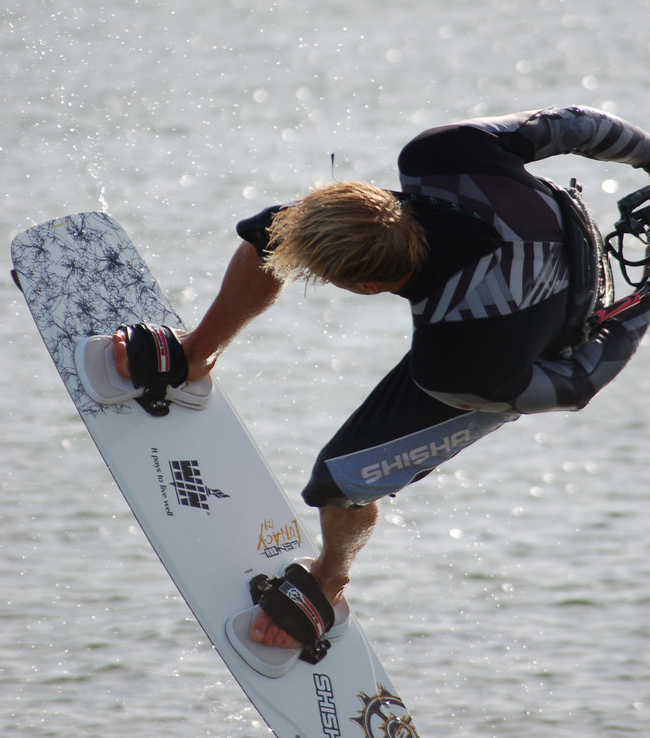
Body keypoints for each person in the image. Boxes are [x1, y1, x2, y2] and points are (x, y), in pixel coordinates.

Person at [112, 105, 650, 652]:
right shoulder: (443, 155)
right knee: (271, 235)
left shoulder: (459, 362)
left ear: (367, 287)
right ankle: (196, 353)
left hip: (528, 342)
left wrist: (641, 305)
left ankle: (329, 579)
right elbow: (577, 123)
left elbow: (578, 382)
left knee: (341, 483)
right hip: (539, 230)